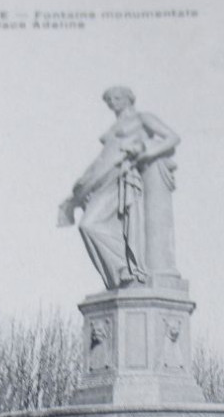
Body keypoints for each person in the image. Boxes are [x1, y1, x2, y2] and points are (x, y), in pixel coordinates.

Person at [57, 86, 180, 290]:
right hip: (103, 177)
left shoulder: (143, 118)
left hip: (123, 176)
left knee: (90, 224)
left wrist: (146, 153)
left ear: (129, 99)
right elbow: (102, 158)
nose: (112, 102)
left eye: (116, 97)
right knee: (88, 225)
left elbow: (172, 138)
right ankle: (120, 273)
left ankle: (127, 269)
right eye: (109, 100)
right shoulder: (114, 127)